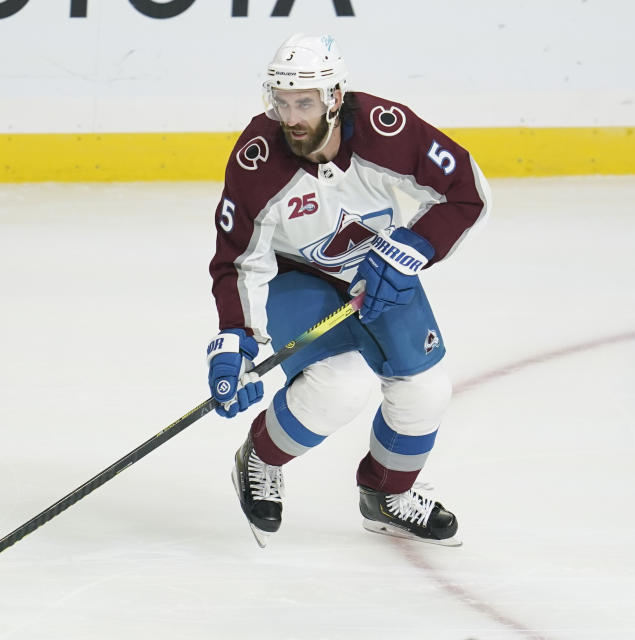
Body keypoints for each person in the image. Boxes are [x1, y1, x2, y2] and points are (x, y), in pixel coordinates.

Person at [205, 33, 491, 548]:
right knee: (340, 387)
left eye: (305, 102)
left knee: (425, 391)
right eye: (282, 101)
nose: (291, 116)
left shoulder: (389, 131)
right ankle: (261, 457)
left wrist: (411, 249)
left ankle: (386, 494)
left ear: (335, 98)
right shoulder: (257, 161)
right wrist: (235, 340)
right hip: (303, 275)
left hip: (382, 268)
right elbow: (237, 259)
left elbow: (467, 192)